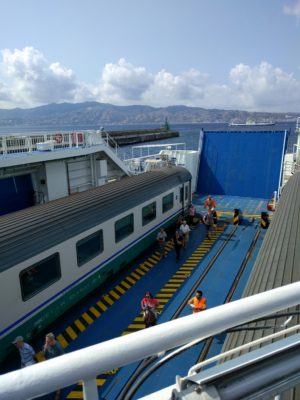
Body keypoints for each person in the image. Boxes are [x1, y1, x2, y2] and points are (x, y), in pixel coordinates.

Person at [43, 333, 65, 400]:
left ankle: (58, 392)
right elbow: (44, 355)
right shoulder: (47, 345)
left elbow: (63, 358)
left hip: (57, 367)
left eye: (47, 341)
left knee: (57, 379)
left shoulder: (58, 347)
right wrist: (45, 348)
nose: (46, 343)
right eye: (45, 341)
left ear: (52, 341)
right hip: (50, 365)